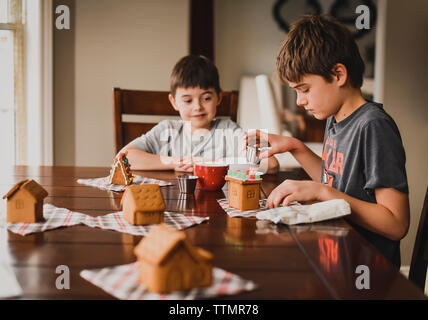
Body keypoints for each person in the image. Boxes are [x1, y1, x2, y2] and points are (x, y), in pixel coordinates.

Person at [246, 15, 409, 267]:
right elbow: (333, 179)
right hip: (337, 256)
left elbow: (396, 224)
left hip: (366, 271)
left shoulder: (373, 126)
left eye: (305, 89)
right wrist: (295, 147)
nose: (300, 101)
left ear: (338, 74)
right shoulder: (336, 118)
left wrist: (323, 193)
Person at [121, 54, 279, 173]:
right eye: (188, 101)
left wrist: (209, 163)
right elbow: (123, 158)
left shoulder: (229, 130)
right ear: (174, 102)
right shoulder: (166, 129)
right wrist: (176, 163)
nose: (197, 107)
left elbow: (271, 164)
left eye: (206, 98)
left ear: (219, 97)